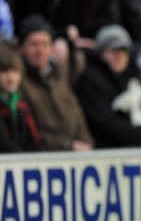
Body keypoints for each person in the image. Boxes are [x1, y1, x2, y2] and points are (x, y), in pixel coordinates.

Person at [75, 24, 141, 147]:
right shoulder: (90, 81)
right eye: (113, 50)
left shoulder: (133, 77)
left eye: (123, 50)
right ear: (101, 52)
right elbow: (106, 126)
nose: (119, 56)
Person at [18, 14, 93, 151]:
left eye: (45, 44)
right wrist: (67, 146)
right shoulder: (19, 83)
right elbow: (31, 133)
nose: (40, 51)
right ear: (22, 48)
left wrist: (86, 142)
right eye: (34, 44)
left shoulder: (59, 78)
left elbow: (77, 115)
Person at [0, 43, 42, 152]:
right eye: (4, 72)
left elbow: (34, 137)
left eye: (14, 71)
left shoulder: (22, 102)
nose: (10, 77)